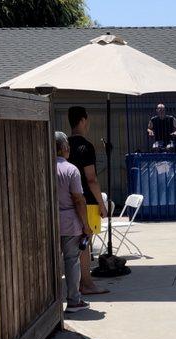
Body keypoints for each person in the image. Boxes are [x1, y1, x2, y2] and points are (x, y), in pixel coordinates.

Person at [67, 106, 109, 295]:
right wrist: (102, 204)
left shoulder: (63, 146)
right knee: (84, 244)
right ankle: (87, 284)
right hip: (88, 202)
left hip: (66, 201)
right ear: (83, 120)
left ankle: (78, 283)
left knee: (71, 245)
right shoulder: (86, 146)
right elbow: (91, 178)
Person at [55, 131, 91, 313]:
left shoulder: (43, 166)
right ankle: (74, 300)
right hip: (69, 222)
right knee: (71, 261)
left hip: (50, 222)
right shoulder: (71, 170)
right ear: (64, 148)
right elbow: (79, 199)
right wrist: (85, 224)